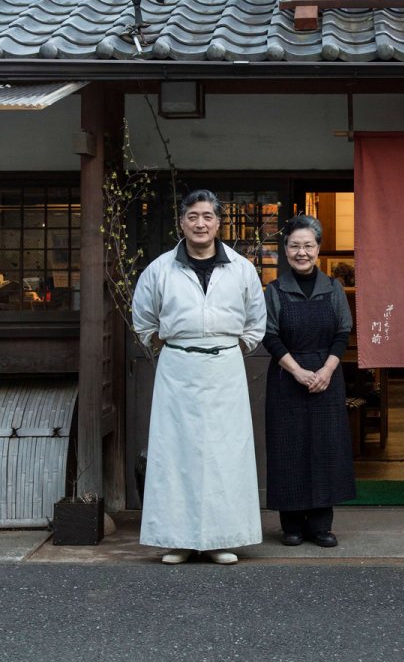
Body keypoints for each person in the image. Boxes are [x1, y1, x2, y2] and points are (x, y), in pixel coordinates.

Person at [131, 190, 266, 564]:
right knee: (176, 453)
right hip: (178, 366)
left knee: (225, 454)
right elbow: (143, 320)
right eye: (193, 216)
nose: (200, 223)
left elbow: (256, 322)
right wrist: (170, 346)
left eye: (207, 216)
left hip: (225, 365)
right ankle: (178, 539)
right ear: (182, 222)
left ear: (218, 222)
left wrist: (228, 350)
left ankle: (222, 538)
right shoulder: (160, 269)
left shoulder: (240, 268)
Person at [264, 215, 355, 547]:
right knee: (288, 448)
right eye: (294, 245)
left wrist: (327, 370)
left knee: (324, 447)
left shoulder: (333, 288)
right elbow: (269, 336)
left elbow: (342, 333)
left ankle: (320, 524)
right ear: (285, 249)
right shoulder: (274, 291)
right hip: (288, 377)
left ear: (318, 248)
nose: (301, 252)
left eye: (308, 245)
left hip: (326, 377)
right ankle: (291, 524)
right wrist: (297, 371)